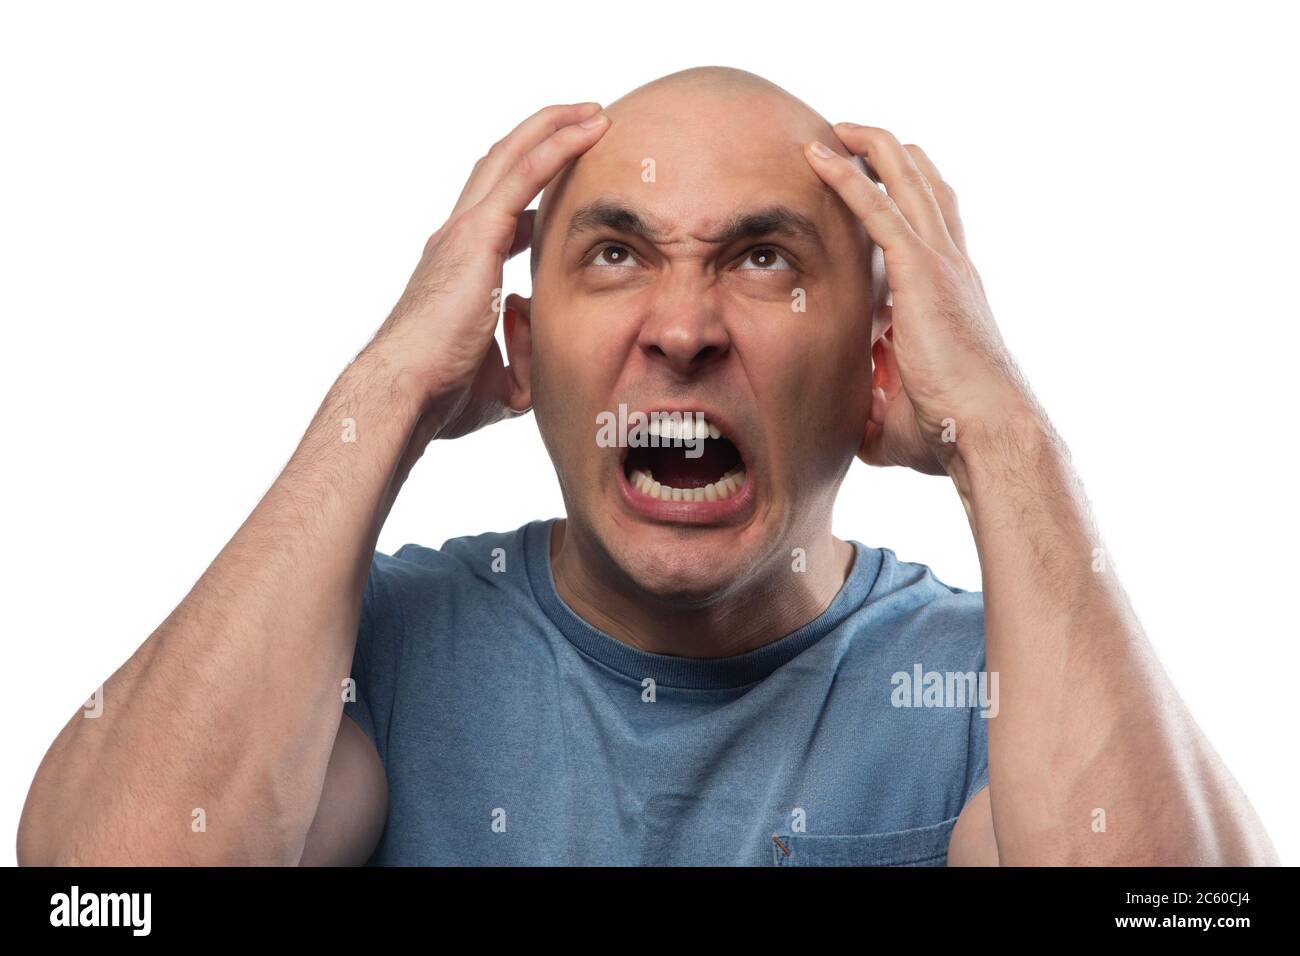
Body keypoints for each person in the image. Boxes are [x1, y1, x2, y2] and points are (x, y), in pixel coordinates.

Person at [17, 67, 1277, 866]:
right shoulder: (365, 658)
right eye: (615, 254)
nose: (682, 328)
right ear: (518, 351)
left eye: (764, 259)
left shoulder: (987, 693)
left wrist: (1003, 428)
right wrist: (382, 387)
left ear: (877, 366)